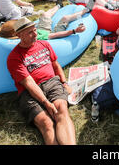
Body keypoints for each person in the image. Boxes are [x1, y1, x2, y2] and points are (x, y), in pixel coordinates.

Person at [6, 17, 76, 145]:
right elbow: (29, 83)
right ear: (19, 35)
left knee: (61, 110)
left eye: (35, 30)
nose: (35, 34)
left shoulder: (44, 44)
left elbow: (56, 65)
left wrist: (64, 82)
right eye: (30, 32)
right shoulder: (14, 57)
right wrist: (46, 103)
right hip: (28, 92)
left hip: (52, 82)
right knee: (46, 123)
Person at [0, 3, 91, 40]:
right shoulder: (34, 37)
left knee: (45, 15)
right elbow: (55, 35)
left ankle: (58, 5)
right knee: (65, 18)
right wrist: (74, 31)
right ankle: (85, 10)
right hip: (47, 31)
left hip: (39, 28)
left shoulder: (26, 33)